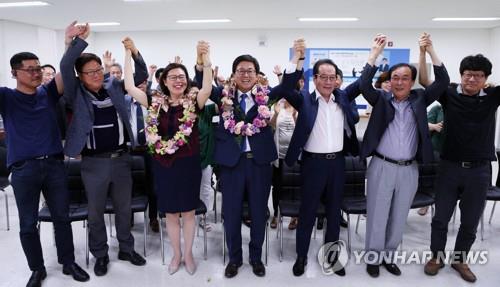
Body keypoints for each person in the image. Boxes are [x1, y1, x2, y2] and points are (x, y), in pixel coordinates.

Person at [194, 39, 304, 278]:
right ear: (234, 75)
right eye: (241, 71)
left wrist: (295, 59)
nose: (245, 74)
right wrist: (203, 60)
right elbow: (201, 85)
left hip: (260, 164)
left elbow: (287, 85)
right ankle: (234, 258)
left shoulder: (268, 96)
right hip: (231, 165)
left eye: (250, 71)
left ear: (257, 75)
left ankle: (256, 257)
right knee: (231, 214)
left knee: (258, 212)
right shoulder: (222, 95)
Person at [0, 21, 90, 287]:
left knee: (62, 217)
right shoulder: (6, 97)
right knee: (28, 224)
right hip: (24, 169)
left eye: (38, 68)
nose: (36, 73)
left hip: (53, 166)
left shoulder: (47, 93)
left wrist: (68, 43)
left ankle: (68, 262)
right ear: (15, 73)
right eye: (29, 70)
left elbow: (64, 70)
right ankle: (36, 269)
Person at [61, 22, 147, 277]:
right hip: (93, 163)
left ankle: (126, 248)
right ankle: (100, 254)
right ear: (80, 77)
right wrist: (75, 42)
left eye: (99, 69)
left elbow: (140, 76)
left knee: (124, 208)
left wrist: (134, 52)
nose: (97, 74)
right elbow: (66, 66)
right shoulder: (75, 94)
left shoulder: (115, 87)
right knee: (96, 212)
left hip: (121, 159)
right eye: (90, 72)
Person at [359, 33, 449, 278]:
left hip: (409, 169)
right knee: (377, 214)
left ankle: (389, 256)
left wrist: (430, 51)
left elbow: (443, 81)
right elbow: (364, 85)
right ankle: (373, 257)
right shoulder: (381, 99)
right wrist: (374, 55)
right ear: (390, 81)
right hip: (381, 165)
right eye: (395, 78)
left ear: (412, 82)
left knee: (399, 215)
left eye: (405, 78)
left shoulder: (421, 99)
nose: (399, 82)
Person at [124, 40, 212, 275]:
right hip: (163, 165)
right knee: (171, 213)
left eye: (181, 76)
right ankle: (176, 254)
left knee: (189, 212)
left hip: (188, 163)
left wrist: (206, 59)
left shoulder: (194, 101)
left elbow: (207, 88)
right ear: (164, 80)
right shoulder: (155, 102)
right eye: (172, 76)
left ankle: (190, 254)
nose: (178, 80)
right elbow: (130, 87)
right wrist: (128, 54)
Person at [423, 51, 499, 283]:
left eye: (478, 76)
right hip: (449, 167)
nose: (472, 79)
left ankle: (460, 259)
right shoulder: (449, 94)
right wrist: (426, 51)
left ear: (485, 78)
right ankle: (436, 257)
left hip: (479, 170)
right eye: (468, 75)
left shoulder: (493, 96)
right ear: (461, 75)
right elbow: (426, 82)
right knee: (440, 218)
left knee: (470, 220)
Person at [286, 57, 362, 276]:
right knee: (307, 212)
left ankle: (331, 256)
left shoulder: (343, 98)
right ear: (315, 78)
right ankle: (301, 256)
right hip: (312, 164)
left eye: (332, 77)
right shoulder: (304, 100)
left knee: (333, 212)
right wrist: (296, 61)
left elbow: (363, 81)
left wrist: (374, 56)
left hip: (338, 163)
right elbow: (285, 87)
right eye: (323, 77)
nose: (328, 81)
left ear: (337, 80)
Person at [270, 97, 298, 230]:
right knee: (277, 185)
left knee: (294, 186)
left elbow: (302, 129)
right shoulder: (277, 106)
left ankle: (294, 216)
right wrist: (275, 113)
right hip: (278, 154)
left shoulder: (299, 106)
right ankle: (276, 214)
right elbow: (272, 125)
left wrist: (295, 116)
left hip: (294, 155)